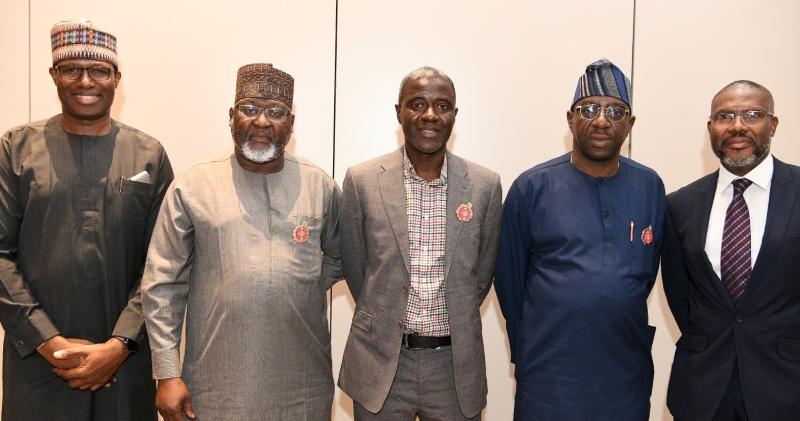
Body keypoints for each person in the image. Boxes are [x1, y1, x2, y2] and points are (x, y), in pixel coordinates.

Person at [141, 63, 342, 420]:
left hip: (303, 385)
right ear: (231, 116)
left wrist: (296, 283)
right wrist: (167, 374)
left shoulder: (320, 186)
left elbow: (340, 257)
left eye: (275, 112)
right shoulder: (193, 185)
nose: (262, 121)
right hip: (215, 384)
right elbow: (162, 285)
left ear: (291, 124)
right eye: (249, 109)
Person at [0, 19, 173, 420]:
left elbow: (163, 263)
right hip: (38, 365)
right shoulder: (15, 148)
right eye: (70, 69)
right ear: (53, 75)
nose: (85, 81)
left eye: (98, 70)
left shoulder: (148, 155)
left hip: (124, 365)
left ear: (116, 78)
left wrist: (119, 344)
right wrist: (48, 342)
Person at [495, 59, 666, 421]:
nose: (602, 120)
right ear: (570, 118)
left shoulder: (650, 187)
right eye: (589, 109)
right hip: (548, 378)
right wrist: (528, 353)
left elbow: (645, 277)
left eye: (615, 111)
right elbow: (509, 281)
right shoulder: (532, 188)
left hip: (625, 379)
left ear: (630, 124)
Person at [337, 66, 502, 420]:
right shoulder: (362, 181)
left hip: (454, 367)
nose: (430, 115)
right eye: (417, 104)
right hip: (382, 362)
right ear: (398, 112)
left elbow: (481, 276)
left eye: (442, 105)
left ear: (454, 115)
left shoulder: (485, 186)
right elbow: (357, 270)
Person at [662, 80, 799, 421]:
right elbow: (680, 295)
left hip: (787, 387)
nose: (737, 126)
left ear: (773, 124)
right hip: (702, 391)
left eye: (752, 114)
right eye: (725, 116)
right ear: (711, 128)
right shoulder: (679, 205)